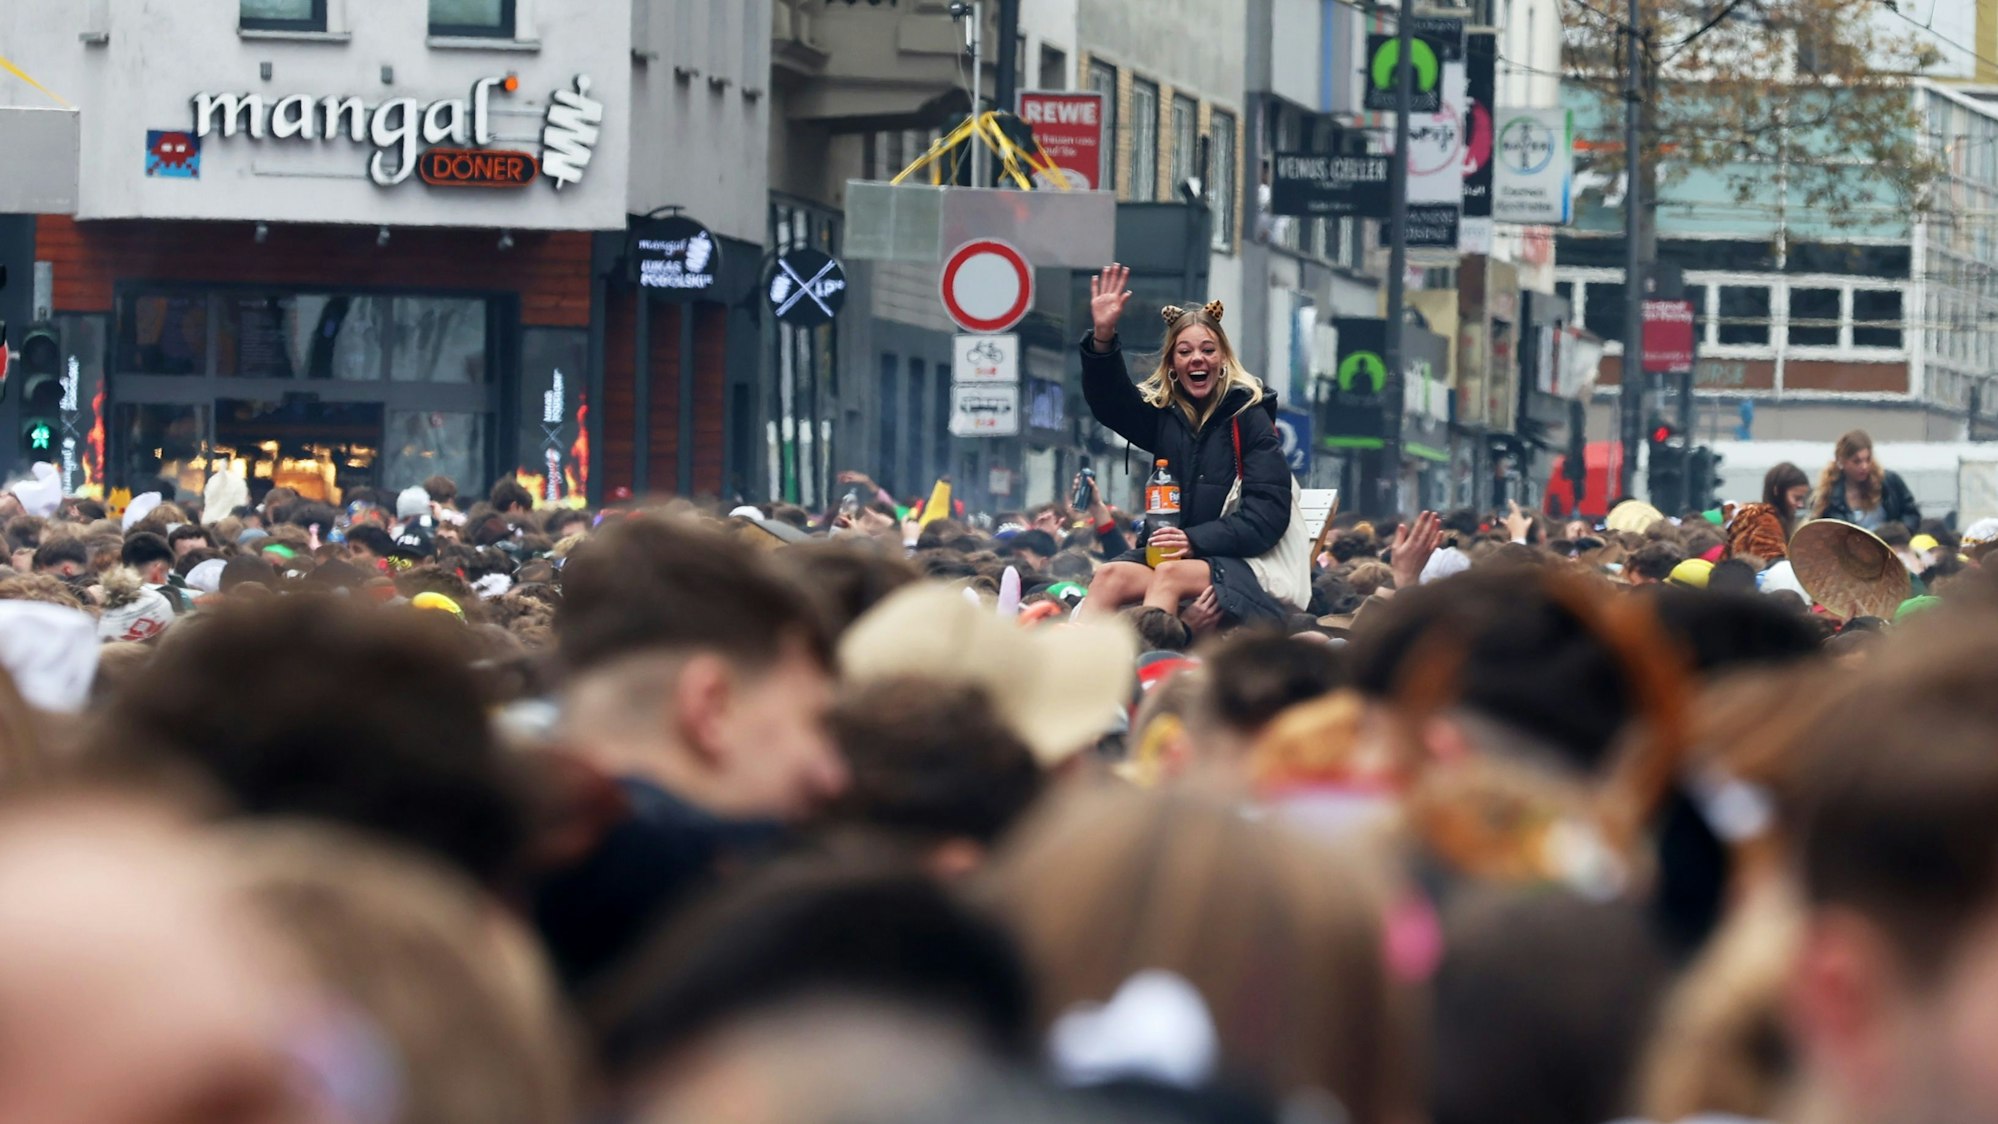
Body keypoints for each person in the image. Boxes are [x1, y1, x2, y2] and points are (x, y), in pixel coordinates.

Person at [538, 514, 847, 990]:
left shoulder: (451, 889)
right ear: (710, 708)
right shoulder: (790, 943)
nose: (833, 775)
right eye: (814, 722)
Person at [1075, 264, 1293, 638]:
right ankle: (1074, 666)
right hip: (1168, 557)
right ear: (1173, 365)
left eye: (1208, 350)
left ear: (1223, 361)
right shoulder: (1166, 416)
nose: (1197, 359)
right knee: (1109, 575)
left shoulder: (1249, 418)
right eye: (1185, 351)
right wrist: (1103, 336)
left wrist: (1194, 540)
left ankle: (1153, 662)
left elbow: (1267, 516)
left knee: (1169, 575)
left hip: (1237, 564)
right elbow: (1112, 404)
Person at [1810, 430, 1918, 533]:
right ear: (1842, 461)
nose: (1864, 466)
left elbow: (1911, 514)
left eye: (1868, 459)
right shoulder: (1829, 494)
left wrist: (1900, 533)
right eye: (1857, 461)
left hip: (1889, 543)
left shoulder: (1889, 481)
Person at [1762, 461, 1812, 539]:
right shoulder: (1764, 528)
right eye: (1797, 498)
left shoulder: (1782, 527)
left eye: (1802, 499)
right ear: (1777, 491)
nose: (1800, 505)